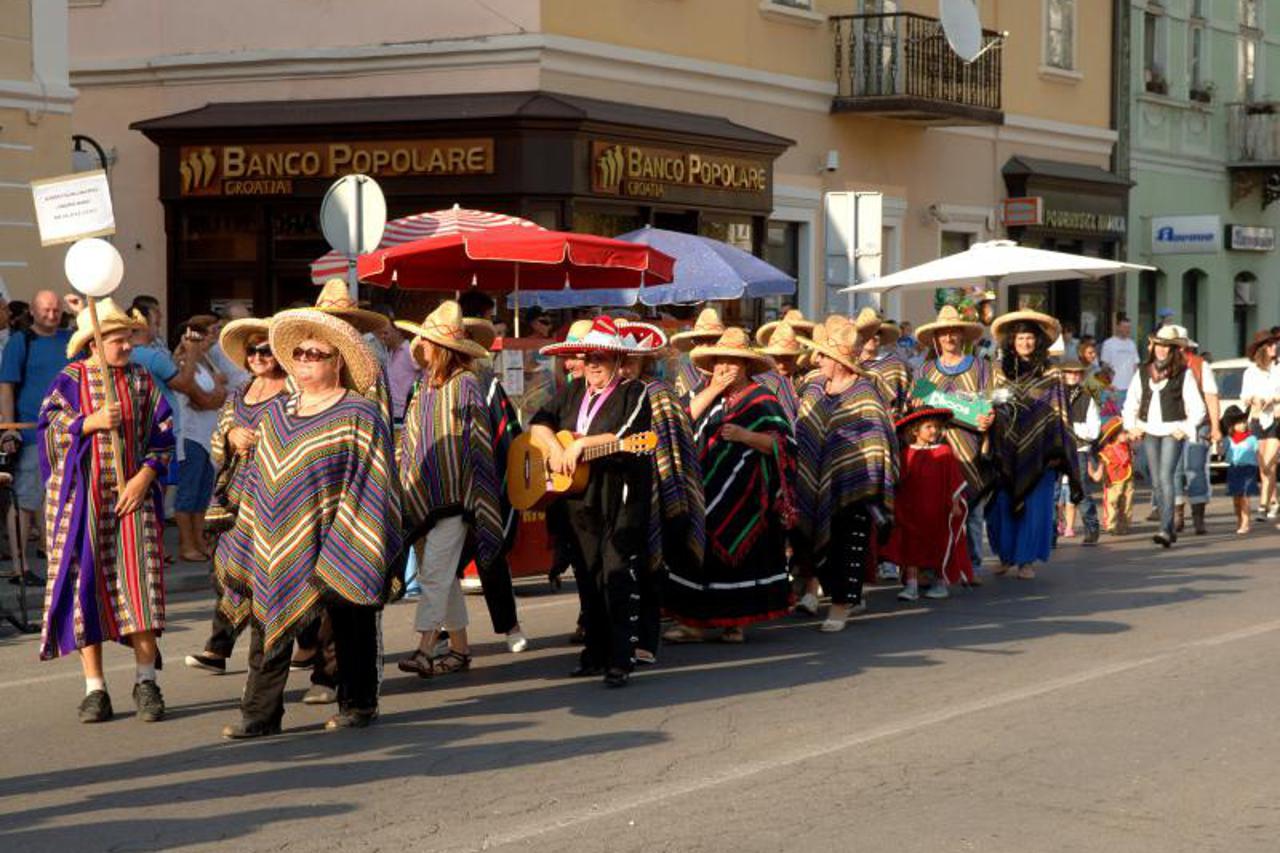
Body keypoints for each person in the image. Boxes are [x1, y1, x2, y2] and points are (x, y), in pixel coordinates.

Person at [217, 309, 400, 737]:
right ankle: (260, 713)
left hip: (345, 530)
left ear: (337, 361)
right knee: (269, 617)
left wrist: (352, 538)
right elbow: (259, 473)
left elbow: (374, 478)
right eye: (298, 353)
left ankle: (358, 703)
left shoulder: (359, 413)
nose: (304, 359)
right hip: (275, 536)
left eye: (315, 353)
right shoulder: (276, 412)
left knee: (351, 618)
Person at [38, 299, 174, 723]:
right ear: (95, 344)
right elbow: (50, 429)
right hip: (83, 502)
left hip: (135, 500)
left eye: (128, 337)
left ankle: (146, 681)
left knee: (141, 588)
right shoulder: (70, 380)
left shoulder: (142, 381)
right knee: (85, 589)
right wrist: (88, 423)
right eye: (118, 339)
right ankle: (94, 689)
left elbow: (164, 435)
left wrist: (144, 476)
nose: (127, 345)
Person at [531, 316, 653, 687]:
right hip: (578, 497)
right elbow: (539, 421)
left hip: (620, 496)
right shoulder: (571, 392)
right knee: (587, 577)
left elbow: (631, 434)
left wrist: (583, 443)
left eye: (601, 356)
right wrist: (554, 447)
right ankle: (595, 653)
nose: (593, 363)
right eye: (589, 356)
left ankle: (621, 659)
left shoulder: (634, 392)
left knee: (615, 575)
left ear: (618, 361)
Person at [395, 301, 505, 681]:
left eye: (424, 341)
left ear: (439, 347)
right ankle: (459, 650)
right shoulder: (421, 386)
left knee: (435, 574)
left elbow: (477, 442)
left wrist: (479, 496)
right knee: (439, 574)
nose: (419, 347)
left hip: (456, 497)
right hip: (422, 495)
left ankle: (425, 649)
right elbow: (410, 440)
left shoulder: (466, 385)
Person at [663, 328, 794, 642]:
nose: (724, 367)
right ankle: (694, 622)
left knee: (741, 559)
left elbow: (783, 445)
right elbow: (677, 421)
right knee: (698, 553)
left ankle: (735, 622)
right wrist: (711, 391)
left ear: (746, 366)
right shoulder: (703, 392)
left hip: (748, 495)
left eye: (733, 362)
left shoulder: (763, 399)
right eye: (720, 360)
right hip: (702, 488)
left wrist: (744, 436)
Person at [184, 318, 286, 675]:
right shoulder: (239, 393)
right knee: (229, 568)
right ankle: (218, 648)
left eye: (266, 350)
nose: (258, 357)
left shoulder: (293, 394)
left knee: (269, 575)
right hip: (236, 496)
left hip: (276, 497)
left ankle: (299, 646)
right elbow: (217, 441)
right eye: (253, 351)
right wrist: (230, 438)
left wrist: (263, 441)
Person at [793, 323, 896, 630]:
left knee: (847, 544)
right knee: (812, 542)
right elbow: (803, 431)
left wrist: (863, 476)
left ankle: (841, 604)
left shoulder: (865, 394)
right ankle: (827, 593)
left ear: (838, 361)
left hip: (855, 483)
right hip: (812, 483)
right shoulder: (813, 388)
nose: (816, 360)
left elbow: (877, 442)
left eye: (822, 355)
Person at [617, 320, 705, 665]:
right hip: (615, 493)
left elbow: (673, 451)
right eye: (619, 359)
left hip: (654, 492)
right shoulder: (604, 393)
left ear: (644, 362)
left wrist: (671, 495)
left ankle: (645, 641)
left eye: (630, 360)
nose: (624, 367)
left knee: (649, 569)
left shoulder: (658, 394)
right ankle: (617, 638)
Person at [985, 309, 1081, 578]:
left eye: (1029, 337)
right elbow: (990, 404)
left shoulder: (1051, 374)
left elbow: (1060, 415)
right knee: (1000, 506)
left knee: (1034, 507)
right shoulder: (999, 371)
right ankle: (1005, 557)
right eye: (1020, 338)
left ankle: (1026, 561)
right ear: (1011, 341)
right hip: (1003, 448)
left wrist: (1058, 452)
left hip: (1041, 453)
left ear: (1038, 341)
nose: (1025, 342)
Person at [0, 290, 74, 583]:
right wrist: (9, 427)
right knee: (26, 500)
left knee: (60, 501)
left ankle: (59, 562)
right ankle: (20, 567)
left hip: (69, 431)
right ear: (32, 311)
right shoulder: (21, 341)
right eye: (45, 310)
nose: (52, 315)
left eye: (56, 310)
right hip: (32, 431)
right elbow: (6, 385)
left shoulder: (69, 340)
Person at [914, 305, 992, 571]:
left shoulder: (981, 367)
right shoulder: (924, 371)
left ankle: (972, 564)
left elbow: (991, 402)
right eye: (943, 333)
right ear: (936, 338)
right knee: (933, 509)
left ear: (963, 336)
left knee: (972, 508)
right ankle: (935, 564)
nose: (949, 338)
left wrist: (989, 417)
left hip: (970, 447)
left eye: (953, 332)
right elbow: (916, 406)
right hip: (935, 449)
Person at [1121, 326, 1205, 548]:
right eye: (1158, 344)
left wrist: (1185, 427)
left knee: (1166, 477)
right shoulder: (1143, 372)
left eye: (1166, 345)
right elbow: (1131, 402)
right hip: (1149, 430)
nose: (1161, 349)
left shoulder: (1183, 373)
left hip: (1172, 431)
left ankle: (1165, 529)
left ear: (1174, 349)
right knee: (1155, 479)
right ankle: (1167, 525)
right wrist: (1131, 426)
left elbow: (1198, 407)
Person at [884, 408, 972, 601]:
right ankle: (912, 586)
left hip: (939, 509)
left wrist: (956, 502)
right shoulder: (906, 453)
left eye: (937, 427)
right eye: (928, 427)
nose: (934, 431)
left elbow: (954, 480)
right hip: (911, 509)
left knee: (939, 546)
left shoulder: (945, 452)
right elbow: (899, 482)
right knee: (911, 547)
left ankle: (941, 583)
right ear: (915, 430)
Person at [171, 318, 228, 562]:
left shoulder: (205, 363)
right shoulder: (183, 363)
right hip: (191, 436)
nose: (210, 340)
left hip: (207, 435)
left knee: (203, 492)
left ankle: (199, 540)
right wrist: (218, 392)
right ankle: (186, 544)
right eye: (203, 336)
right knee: (188, 493)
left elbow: (216, 396)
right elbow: (200, 400)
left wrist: (216, 393)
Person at [1170, 327, 1219, 536]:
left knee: (1196, 470)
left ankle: (1198, 517)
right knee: (1174, 471)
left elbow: (1211, 396)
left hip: (1198, 425)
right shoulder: (1163, 367)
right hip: (1173, 424)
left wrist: (1216, 427)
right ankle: (1177, 513)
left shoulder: (1200, 365)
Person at [1240, 330, 1280, 521]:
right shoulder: (1250, 372)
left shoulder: (1279, 368)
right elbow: (1244, 395)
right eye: (1271, 344)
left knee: (1271, 461)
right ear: (1262, 348)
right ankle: (1275, 502)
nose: (1275, 347)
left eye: (1275, 344)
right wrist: (1253, 399)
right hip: (1256, 420)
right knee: (1263, 465)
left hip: (1275, 418)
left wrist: (1272, 399)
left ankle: (1264, 503)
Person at [1060, 360, 1101, 545]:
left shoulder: (1087, 398)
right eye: (1069, 372)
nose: (1073, 376)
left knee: (1081, 489)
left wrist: (1072, 430)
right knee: (1053, 492)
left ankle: (1091, 529)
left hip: (1078, 449)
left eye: (1076, 373)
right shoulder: (1054, 396)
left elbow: (1094, 430)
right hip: (1057, 449)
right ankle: (1051, 534)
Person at [854, 308, 913, 417]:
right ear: (858, 336)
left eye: (877, 333)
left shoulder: (895, 364)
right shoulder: (850, 365)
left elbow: (907, 396)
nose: (872, 337)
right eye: (866, 332)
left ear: (881, 337)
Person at [668, 307, 725, 400]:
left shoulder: (731, 370)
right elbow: (682, 406)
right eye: (699, 341)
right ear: (694, 344)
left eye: (712, 340)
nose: (705, 347)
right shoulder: (687, 372)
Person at [1090, 417, 1133, 535]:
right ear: (1115, 435)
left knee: (1127, 502)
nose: (1126, 434)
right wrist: (1098, 474)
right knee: (1112, 502)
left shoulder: (1127, 446)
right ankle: (1111, 524)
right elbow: (1103, 464)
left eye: (1126, 432)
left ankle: (1124, 525)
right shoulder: (1107, 450)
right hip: (1113, 480)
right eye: (1123, 432)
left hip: (1127, 478)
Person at [754, 320, 805, 422]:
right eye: (777, 358)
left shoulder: (806, 377)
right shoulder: (760, 380)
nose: (782, 364)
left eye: (787, 358)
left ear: (796, 357)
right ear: (769, 356)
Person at [1222, 406, 1259, 534]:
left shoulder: (1252, 439)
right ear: (1232, 425)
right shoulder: (1228, 439)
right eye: (1239, 423)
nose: (1242, 425)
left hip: (1249, 469)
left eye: (1244, 422)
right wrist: (1219, 445)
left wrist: (1263, 465)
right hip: (1234, 469)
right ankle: (1239, 519)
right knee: (1236, 500)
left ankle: (1246, 522)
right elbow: (1223, 453)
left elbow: (1258, 453)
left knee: (1245, 497)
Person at [1100, 314, 1140, 392]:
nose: (1127, 330)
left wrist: (1137, 384)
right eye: (1124, 327)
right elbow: (1104, 366)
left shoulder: (1132, 344)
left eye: (1129, 327)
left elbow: (1135, 366)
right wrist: (1107, 384)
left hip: (1130, 388)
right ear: (1118, 327)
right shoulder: (1108, 343)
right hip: (1114, 388)